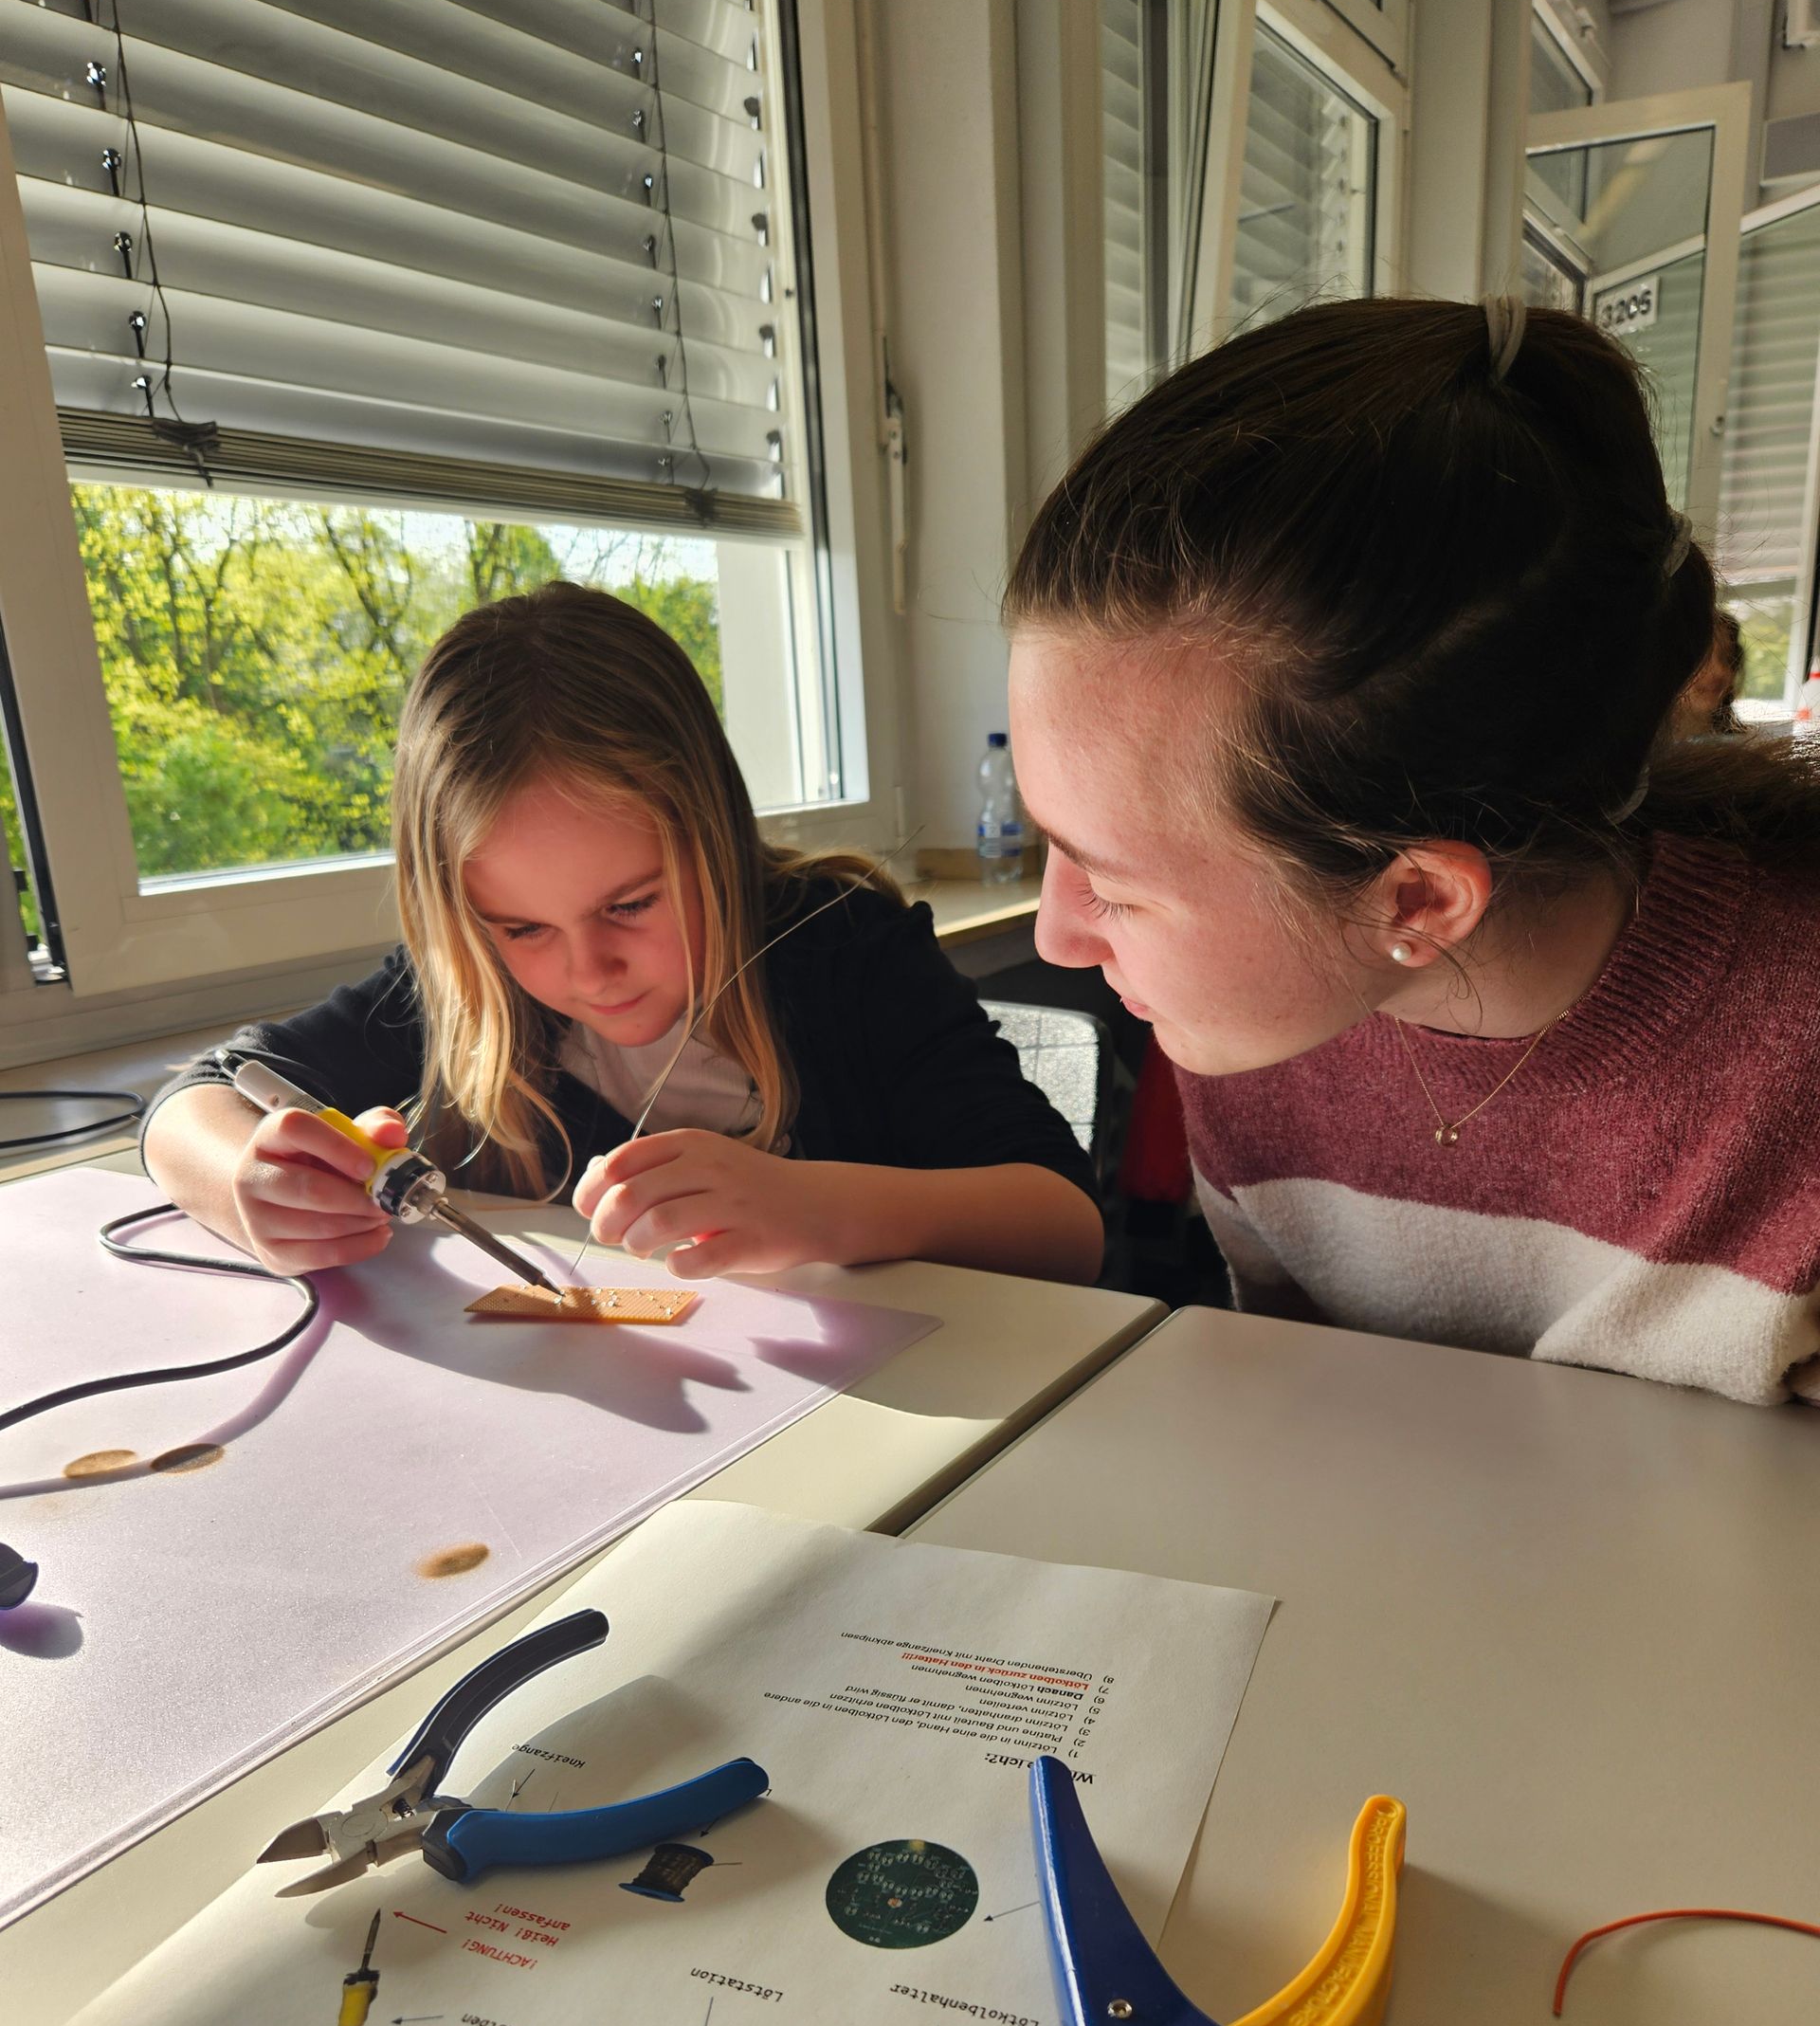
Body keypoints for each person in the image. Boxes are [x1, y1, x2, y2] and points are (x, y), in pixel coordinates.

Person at [1006, 295, 1820, 1403]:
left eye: (1113, 884)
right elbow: (1316, 1414)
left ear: (1419, 902)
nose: (1055, 938)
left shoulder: (1795, 1059)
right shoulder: (1259, 1030)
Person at [145, 583, 1102, 1287]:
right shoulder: (475, 985)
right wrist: (245, 1184)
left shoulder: (843, 948)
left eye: (630, 905)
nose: (588, 969)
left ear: (714, 835)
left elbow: (1067, 1225)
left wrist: (819, 1207)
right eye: (524, 925)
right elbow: (196, 1099)